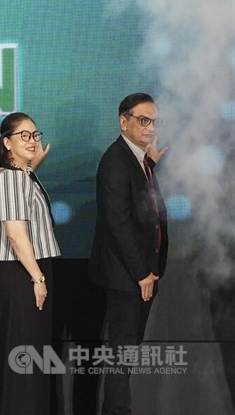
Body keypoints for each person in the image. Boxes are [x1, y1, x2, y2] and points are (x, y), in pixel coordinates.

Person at [88, 93, 168, 415]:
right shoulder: (115, 161)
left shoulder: (138, 159)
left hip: (141, 273)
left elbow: (144, 208)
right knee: (122, 354)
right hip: (128, 277)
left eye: (155, 121)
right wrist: (141, 273)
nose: (151, 128)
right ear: (124, 122)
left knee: (129, 353)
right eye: (144, 120)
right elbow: (118, 223)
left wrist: (152, 164)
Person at [0, 112, 58, 415]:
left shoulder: (18, 174)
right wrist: (38, 279)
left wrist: (30, 166)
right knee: (23, 356)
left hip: (21, 272)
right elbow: (15, 234)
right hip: (20, 274)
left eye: (35, 135)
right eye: (24, 135)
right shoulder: (10, 178)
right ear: (7, 142)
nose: (33, 141)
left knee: (27, 354)